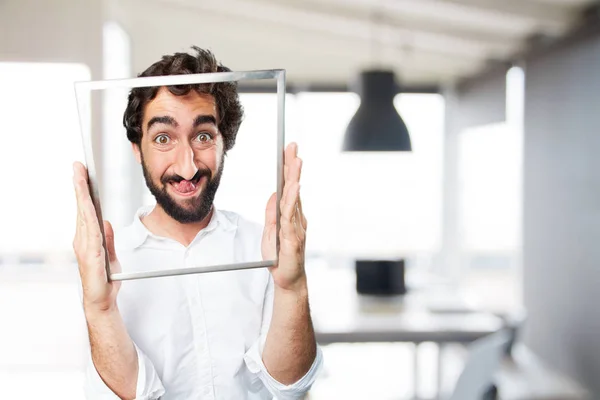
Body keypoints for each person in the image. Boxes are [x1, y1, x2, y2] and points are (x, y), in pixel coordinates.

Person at [72, 46, 323, 399]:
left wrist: (292, 288)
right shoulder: (107, 264)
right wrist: (99, 310)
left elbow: (290, 388)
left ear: (225, 142)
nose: (187, 167)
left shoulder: (264, 248)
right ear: (136, 148)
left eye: (204, 136)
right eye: (163, 138)